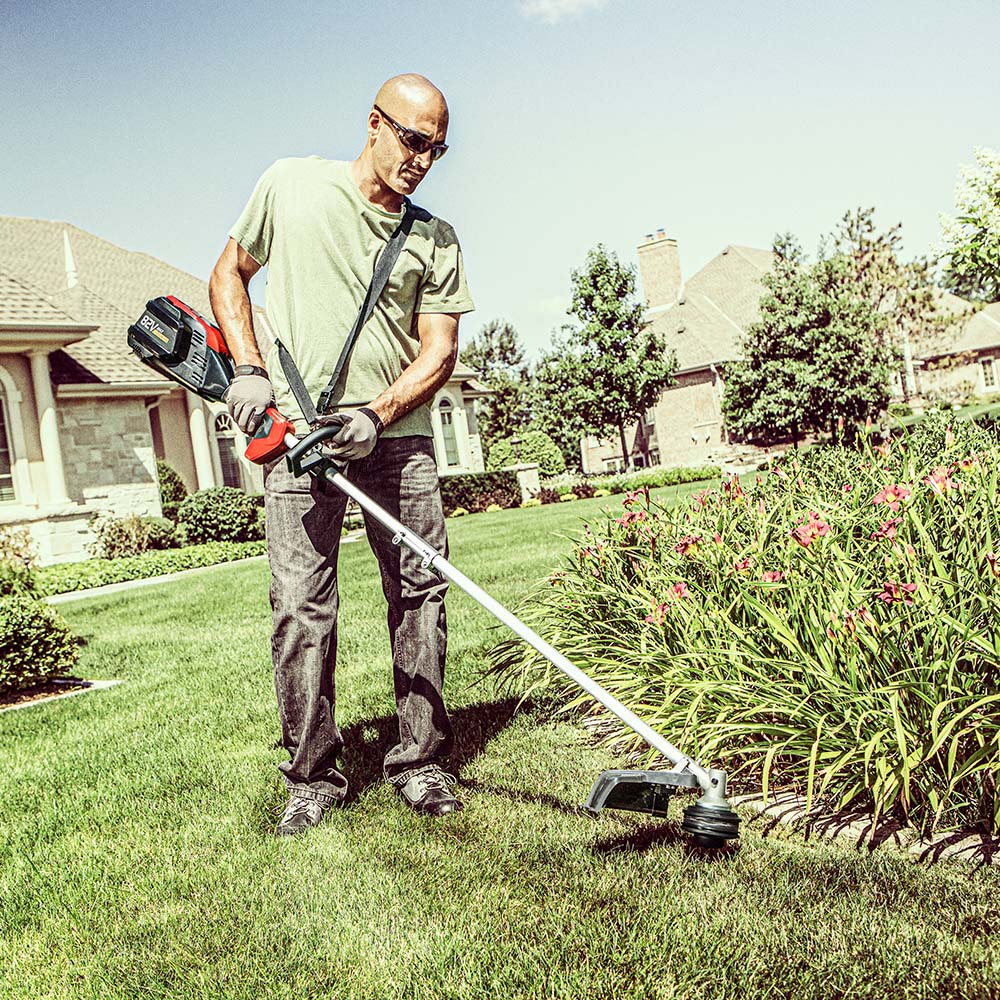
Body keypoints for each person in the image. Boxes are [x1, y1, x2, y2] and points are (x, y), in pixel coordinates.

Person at [208, 74, 474, 836]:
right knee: (300, 608)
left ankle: (421, 761)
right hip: (296, 439)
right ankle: (311, 776)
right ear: (375, 125)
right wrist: (250, 370)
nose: (424, 160)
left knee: (421, 591)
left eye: (438, 148)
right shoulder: (289, 186)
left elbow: (440, 350)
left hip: (399, 444)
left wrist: (377, 412)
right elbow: (230, 272)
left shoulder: (435, 238)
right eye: (415, 140)